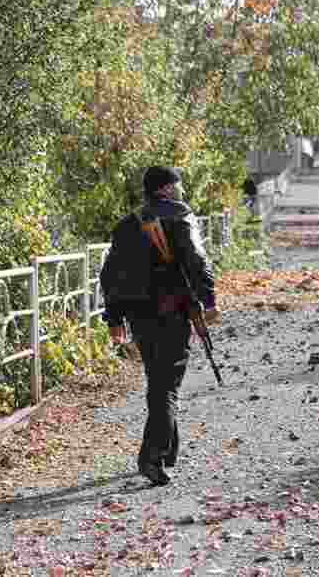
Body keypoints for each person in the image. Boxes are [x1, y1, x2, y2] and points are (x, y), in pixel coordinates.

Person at [100, 166, 219, 486]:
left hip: (139, 317)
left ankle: (168, 450)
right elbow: (196, 259)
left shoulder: (127, 223)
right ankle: (152, 456)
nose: (180, 192)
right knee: (166, 384)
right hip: (171, 312)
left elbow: (109, 274)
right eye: (177, 186)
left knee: (159, 378)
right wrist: (209, 298)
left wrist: (113, 318)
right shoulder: (179, 215)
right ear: (166, 189)